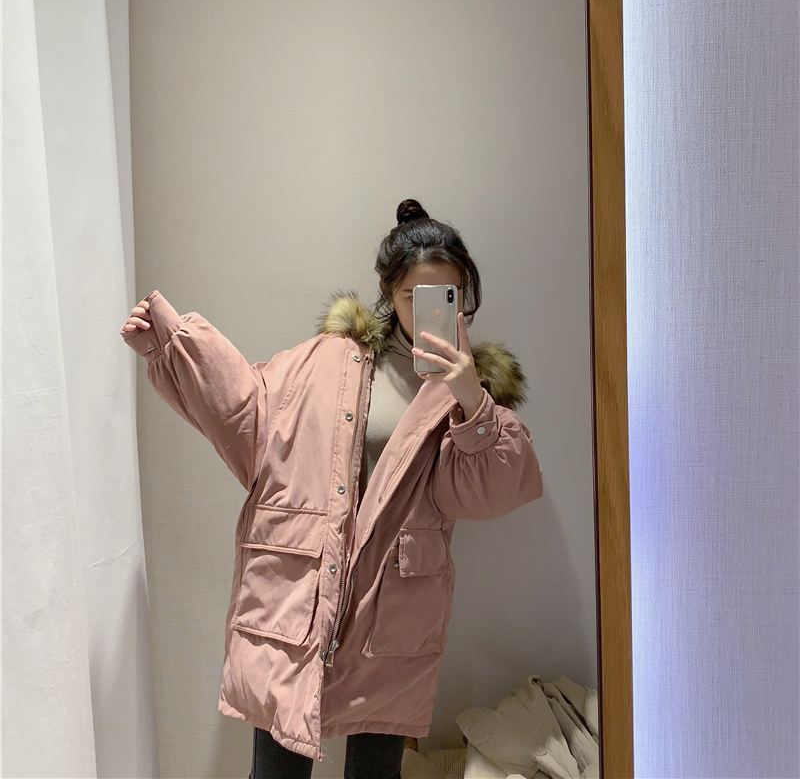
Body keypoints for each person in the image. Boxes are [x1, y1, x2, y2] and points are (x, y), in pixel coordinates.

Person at [120, 198, 544, 779]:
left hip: (395, 609)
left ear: (463, 294)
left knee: (376, 775)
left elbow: (490, 494)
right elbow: (249, 418)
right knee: (276, 772)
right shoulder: (328, 361)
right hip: (300, 590)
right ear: (387, 290)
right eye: (413, 296)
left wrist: (470, 395)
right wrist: (171, 345)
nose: (428, 311)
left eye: (446, 296)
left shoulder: (469, 392)